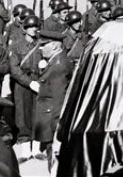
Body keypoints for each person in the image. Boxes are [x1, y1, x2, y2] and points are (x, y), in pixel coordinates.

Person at [33, 30, 73, 170]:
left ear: (55, 46)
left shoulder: (58, 67)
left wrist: (57, 126)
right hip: (50, 117)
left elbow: (58, 99)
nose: (40, 48)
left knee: (55, 161)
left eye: (44, 45)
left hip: (52, 120)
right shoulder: (56, 61)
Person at [8, 15, 41, 163]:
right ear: (25, 29)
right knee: (22, 115)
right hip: (22, 85)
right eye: (30, 27)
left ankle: (37, 149)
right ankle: (25, 151)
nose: (33, 29)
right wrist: (29, 83)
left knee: (37, 113)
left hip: (38, 82)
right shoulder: (15, 46)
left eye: (35, 27)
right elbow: (14, 70)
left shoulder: (41, 43)